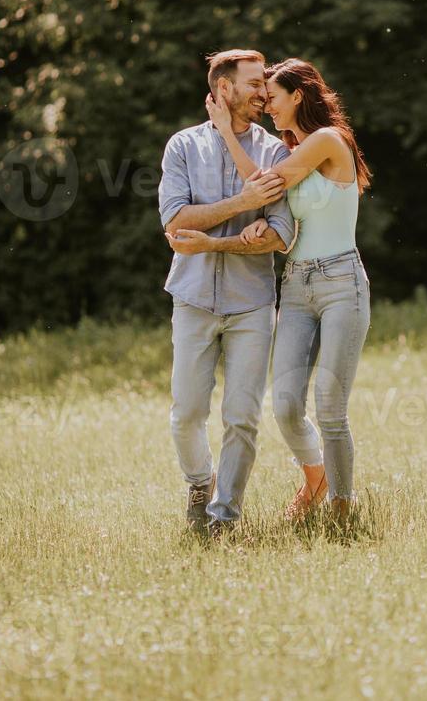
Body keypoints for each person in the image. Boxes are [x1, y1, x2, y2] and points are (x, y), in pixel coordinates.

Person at [205, 57, 371, 522]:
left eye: (272, 97)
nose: (266, 104)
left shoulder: (326, 140)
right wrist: (263, 225)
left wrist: (223, 131)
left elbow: (264, 185)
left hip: (342, 282)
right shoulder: (292, 145)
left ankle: (342, 508)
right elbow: (277, 205)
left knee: (330, 405)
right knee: (285, 405)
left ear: (298, 95)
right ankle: (315, 481)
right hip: (296, 284)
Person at [159, 49, 294, 533]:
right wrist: (242, 205)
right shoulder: (181, 147)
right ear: (224, 89)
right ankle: (200, 482)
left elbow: (278, 235)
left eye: (265, 83)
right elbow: (175, 222)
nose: (265, 91)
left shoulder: (275, 152)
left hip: (252, 303)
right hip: (192, 298)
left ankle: (223, 515)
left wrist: (216, 230)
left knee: (242, 416)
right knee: (187, 412)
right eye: (255, 83)